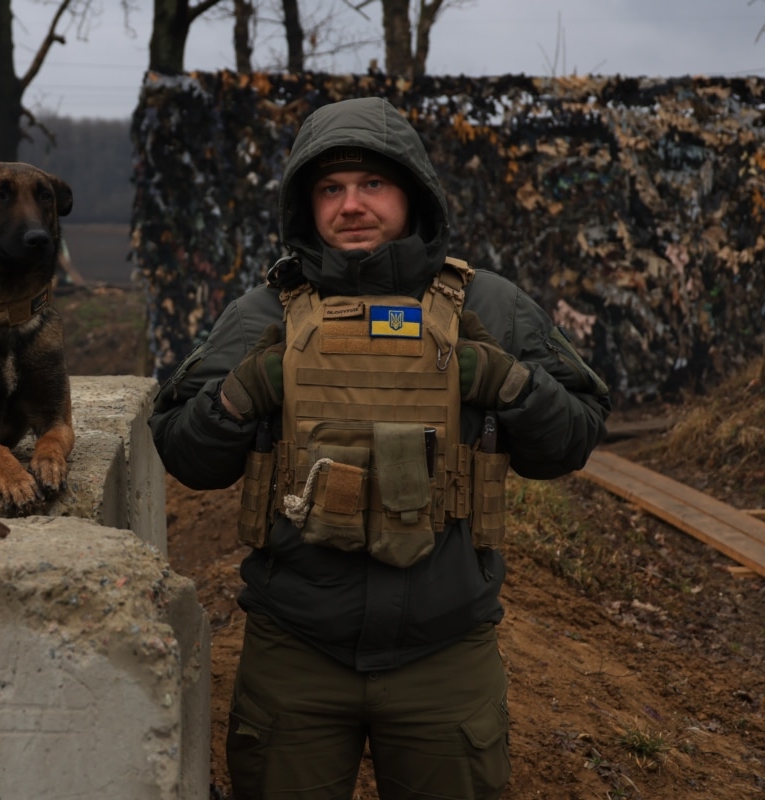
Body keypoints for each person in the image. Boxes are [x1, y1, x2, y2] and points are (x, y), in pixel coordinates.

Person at [148, 97, 611, 800]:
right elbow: (186, 455)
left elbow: (573, 437)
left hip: (446, 655)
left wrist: (506, 381)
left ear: (412, 194)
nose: (351, 205)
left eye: (372, 185)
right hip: (295, 651)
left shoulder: (488, 304)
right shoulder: (265, 314)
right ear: (307, 207)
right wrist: (247, 390)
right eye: (330, 189)